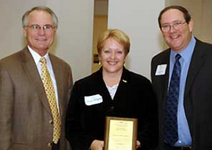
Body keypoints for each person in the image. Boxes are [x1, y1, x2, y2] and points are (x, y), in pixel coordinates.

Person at [65, 29, 158, 150]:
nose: (112, 57)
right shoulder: (82, 86)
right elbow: (72, 127)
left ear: (125, 55)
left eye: (119, 52)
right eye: (107, 51)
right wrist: (91, 143)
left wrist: (138, 142)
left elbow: (153, 125)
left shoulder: (142, 85)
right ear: (99, 54)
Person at [151, 5, 212, 150]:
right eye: (166, 26)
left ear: (190, 24)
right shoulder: (157, 61)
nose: (172, 30)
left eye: (177, 23)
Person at [0, 6, 73, 150]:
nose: (42, 32)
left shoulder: (64, 68)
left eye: (47, 27)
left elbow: (68, 117)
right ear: (24, 31)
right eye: (35, 26)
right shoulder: (6, 67)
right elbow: (3, 123)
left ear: (54, 31)